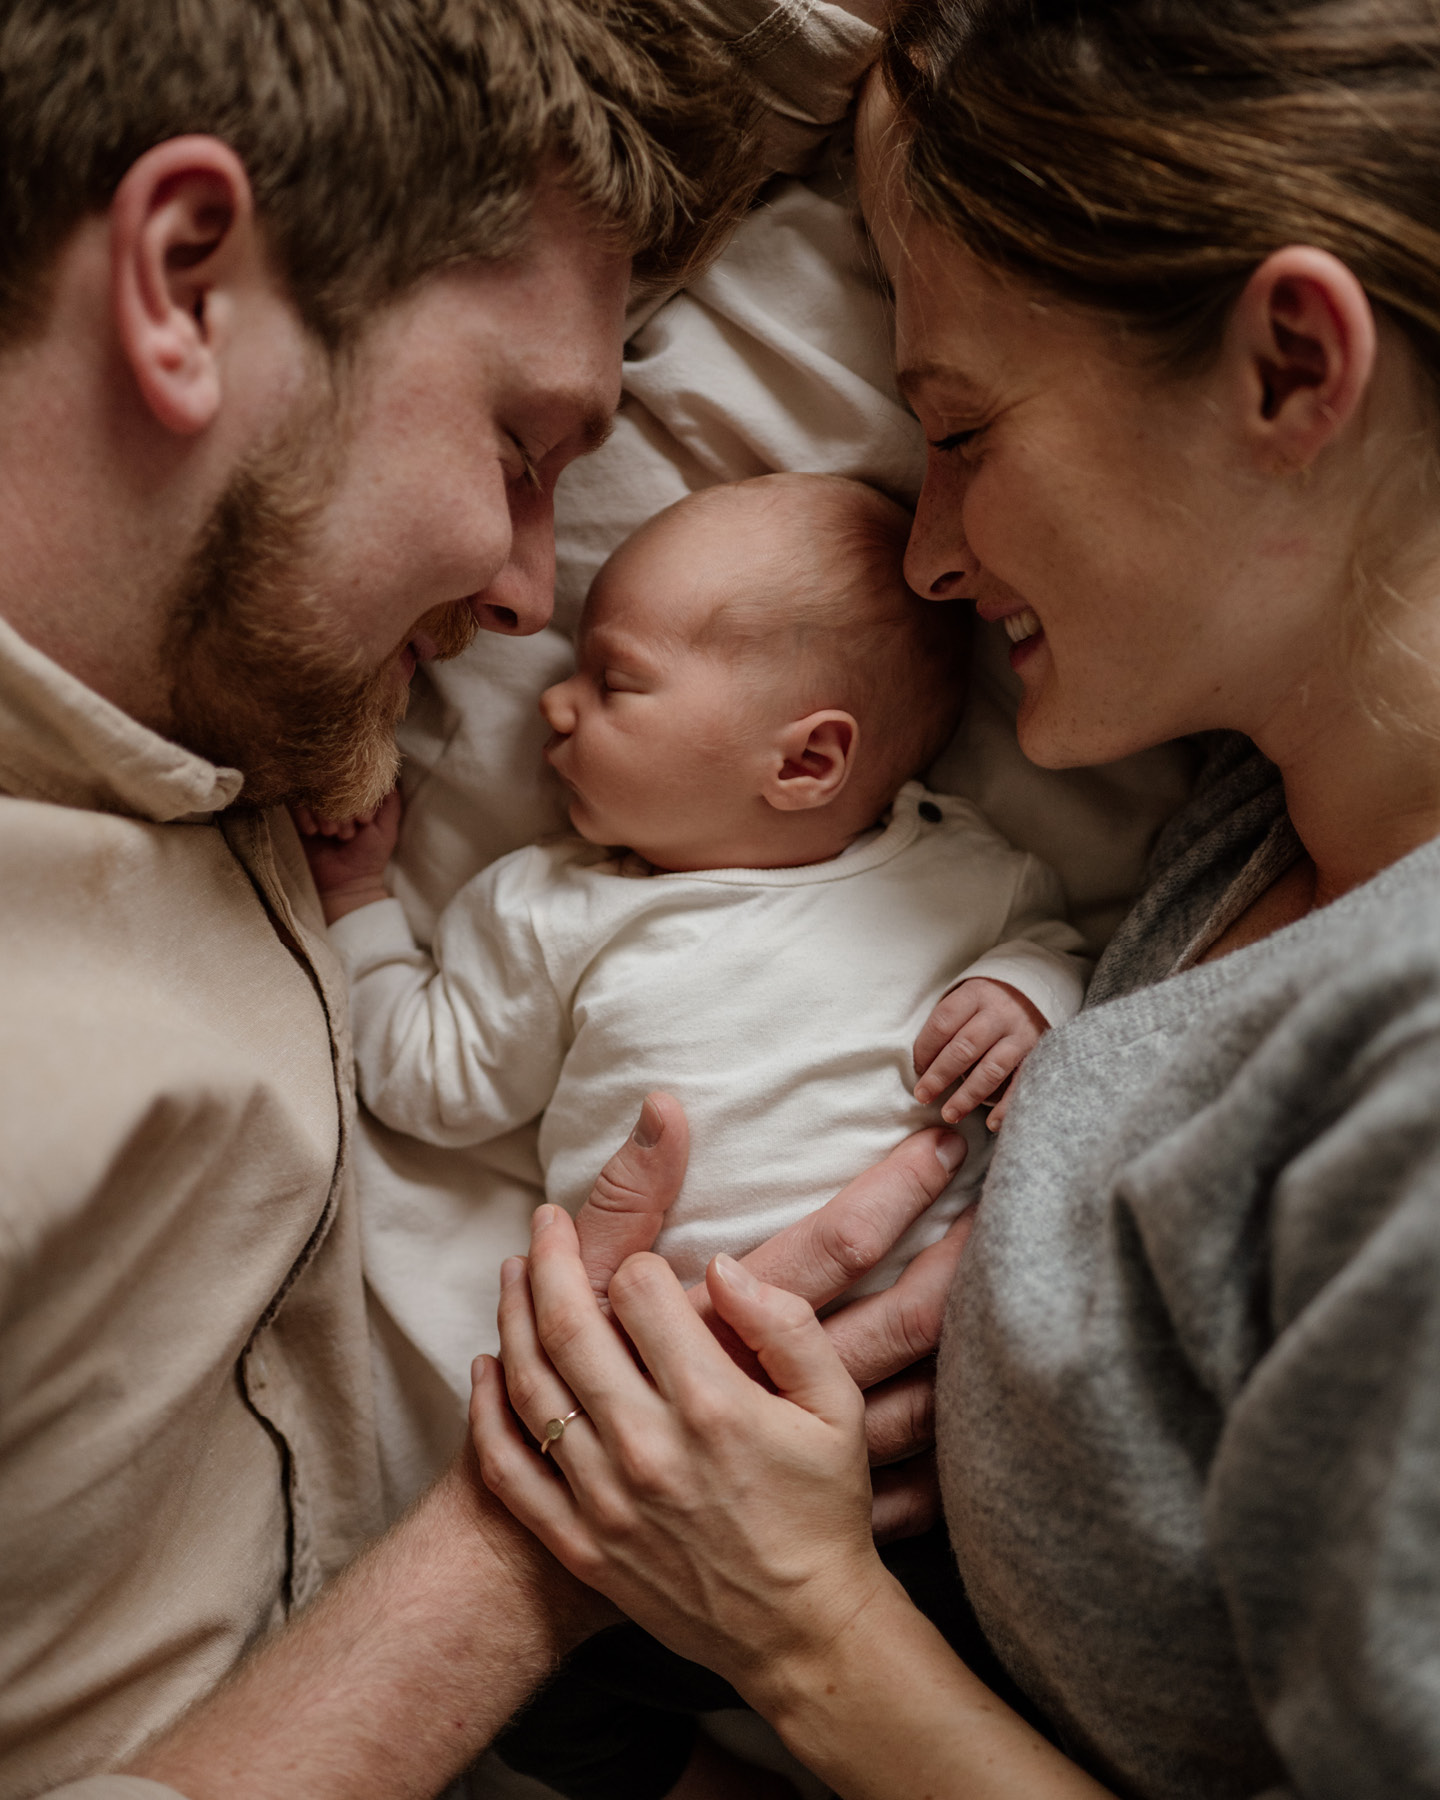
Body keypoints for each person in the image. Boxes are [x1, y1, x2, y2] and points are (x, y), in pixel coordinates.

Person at [468, 1, 1440, 1795]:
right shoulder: (1250, 818)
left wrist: (797, 1625)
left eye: (964, 431)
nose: (921, 550)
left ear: (1295, 368)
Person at [0, 5, 960, 1797]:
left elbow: (741, 77)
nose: (533, 591)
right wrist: (546, 1537)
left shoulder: (244, 681)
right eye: (522, 453)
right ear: (187, 282)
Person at [300, 471, 1087, 1800]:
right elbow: (430, 1077)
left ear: (807, 759)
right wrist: (367, 905)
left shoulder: (962, 877)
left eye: (614, 681)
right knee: (540, 1695)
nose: (555, 699)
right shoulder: (549, 908)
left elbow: (1064, 956)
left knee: (1029, 1656)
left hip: (926, 1461)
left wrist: (1025, 999)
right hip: (652, 1460)